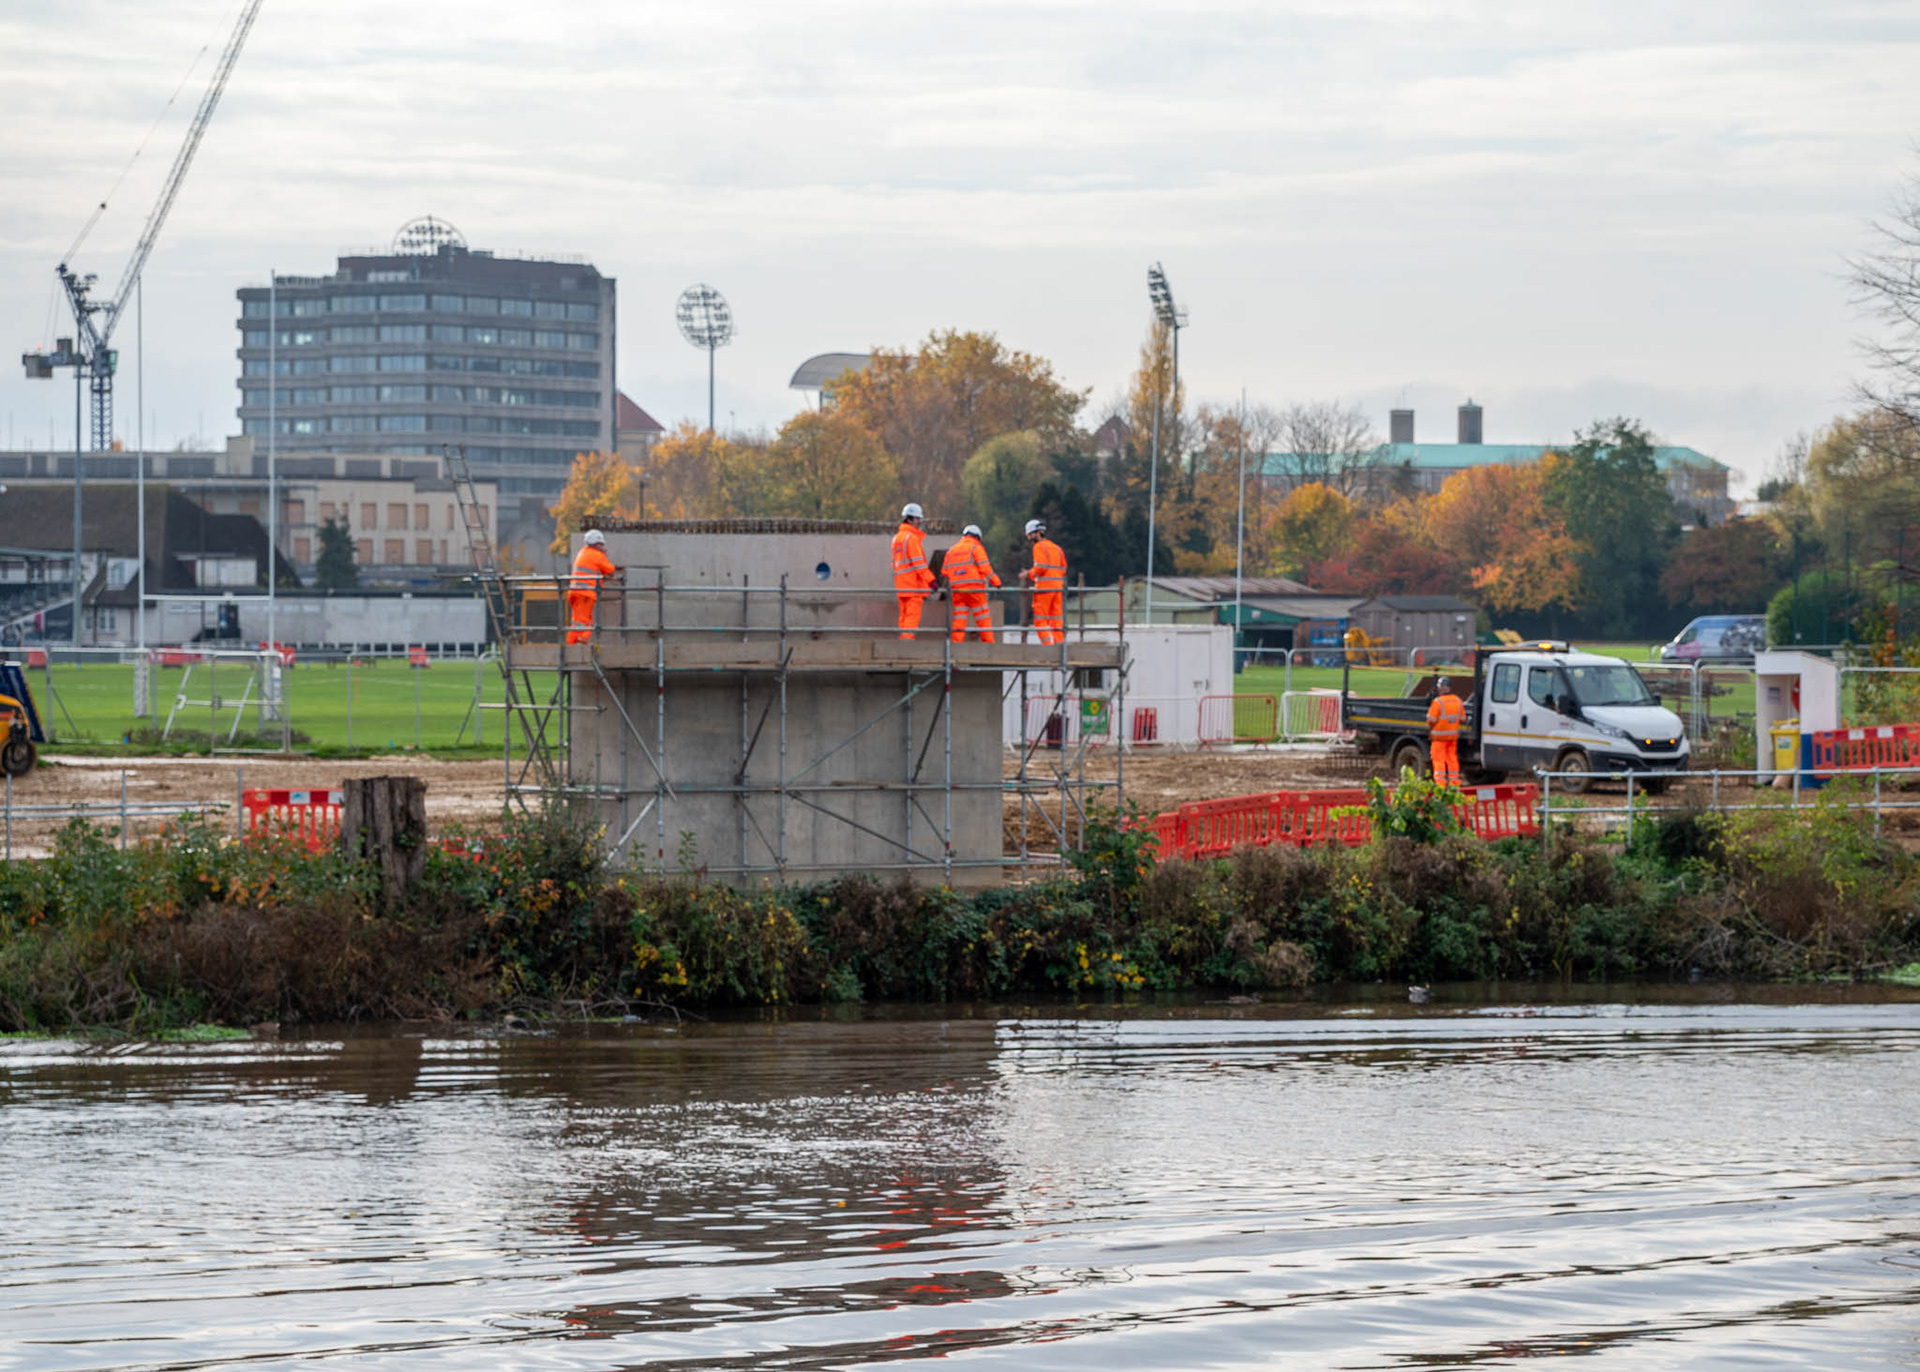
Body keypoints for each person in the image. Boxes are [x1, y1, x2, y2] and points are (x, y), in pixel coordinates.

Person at [943, 524, 1001, 642]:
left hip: (958, 591)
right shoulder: (976, 548)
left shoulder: (951, 550)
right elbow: (986, 569)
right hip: (975, 591)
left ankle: (955, 645)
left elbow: (944, 572)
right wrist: (997, 583)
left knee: (959, 619)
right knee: (983, 618)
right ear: (977, 537)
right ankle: (989, 645)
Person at [566, 529, 619, 645]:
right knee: (583, 622)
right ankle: (578, 643)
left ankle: (574, 644)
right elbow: (611, 571)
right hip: (585, 593)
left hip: (574, 592)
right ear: (596, 543)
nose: (603, 546)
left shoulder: (583, 552)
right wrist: (605, 555)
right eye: (601, 544)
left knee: (579, 621)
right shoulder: (597, 555)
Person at [1019, 518, 1068, 644]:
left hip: (1044, 589)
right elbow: (1063, 568)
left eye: (1030, 535)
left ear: (1037, 533)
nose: (1029, 538)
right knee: (1056, 621)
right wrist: (1054, 577)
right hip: (1058, 588)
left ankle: (1048, 647)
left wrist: (1028, 574)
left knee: (1040, 621)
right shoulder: (1056, 548)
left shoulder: (1038, 547)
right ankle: (1059, 648)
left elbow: (1041, 567)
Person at [891, 503, 935, 638]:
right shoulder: (911, 538)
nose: (919, 522)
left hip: (901, 585)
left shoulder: (896, 538)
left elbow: (895, 564)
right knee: (911, 618)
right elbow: (919, 564)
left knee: (904, 618)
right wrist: (931, 581)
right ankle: (907, 645)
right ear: (909, 519)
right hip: (913, 586)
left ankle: (903, 643)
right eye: (917, 519)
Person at [1426, 674, 1464, 786]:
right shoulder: (1458, 701)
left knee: (1438, 761)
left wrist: (1429, 731)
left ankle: (1440, 784)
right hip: (1452, 738)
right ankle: (1454, 783)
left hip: (1439, 738)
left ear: (1440, 688)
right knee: (1452, 759)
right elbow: (1463, 718)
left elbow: (1431, 720)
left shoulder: (1438, 702)